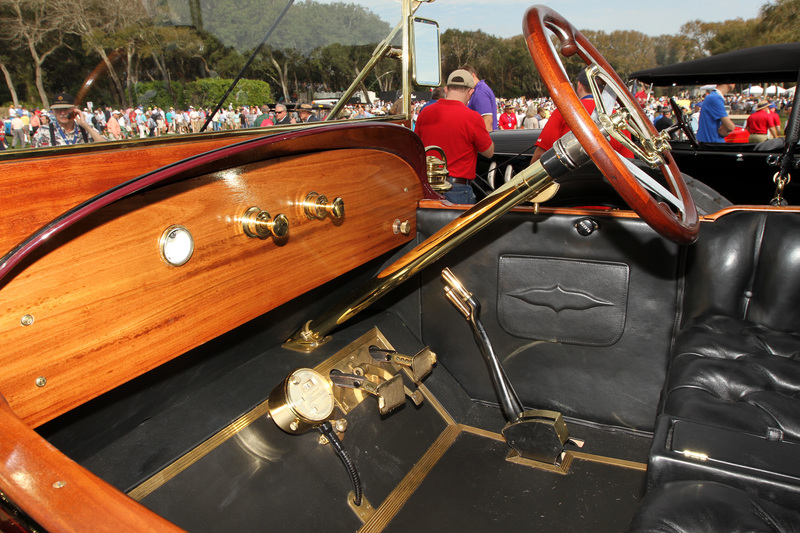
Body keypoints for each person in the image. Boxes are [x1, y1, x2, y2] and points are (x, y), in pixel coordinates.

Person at [415, 69, 494, 205]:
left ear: (446, 89)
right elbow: (488, 152)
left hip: (428, 185)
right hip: (457, 188)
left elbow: (416, 146)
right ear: (470, 92)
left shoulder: (425, 112)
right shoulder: (472, 117)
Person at [530, 69, 633, 164]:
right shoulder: (618, 119)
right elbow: (629, 162)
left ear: (579, 86)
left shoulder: (565, 111)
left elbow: (541, 154)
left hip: (569, 181)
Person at [32, 92, 106, 148]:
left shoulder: (85, 129)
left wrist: (85, 125)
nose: (62, 113)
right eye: (58, 109)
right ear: (53, 111)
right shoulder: (43, 131)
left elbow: (106, 147)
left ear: (74, 110)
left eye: (66, 109)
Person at [461, 64, 497, 132]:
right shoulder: (479, 90)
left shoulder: (480, 92)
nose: (464, 83)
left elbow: (487, 120)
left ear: (473, 75)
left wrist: (485, 141)